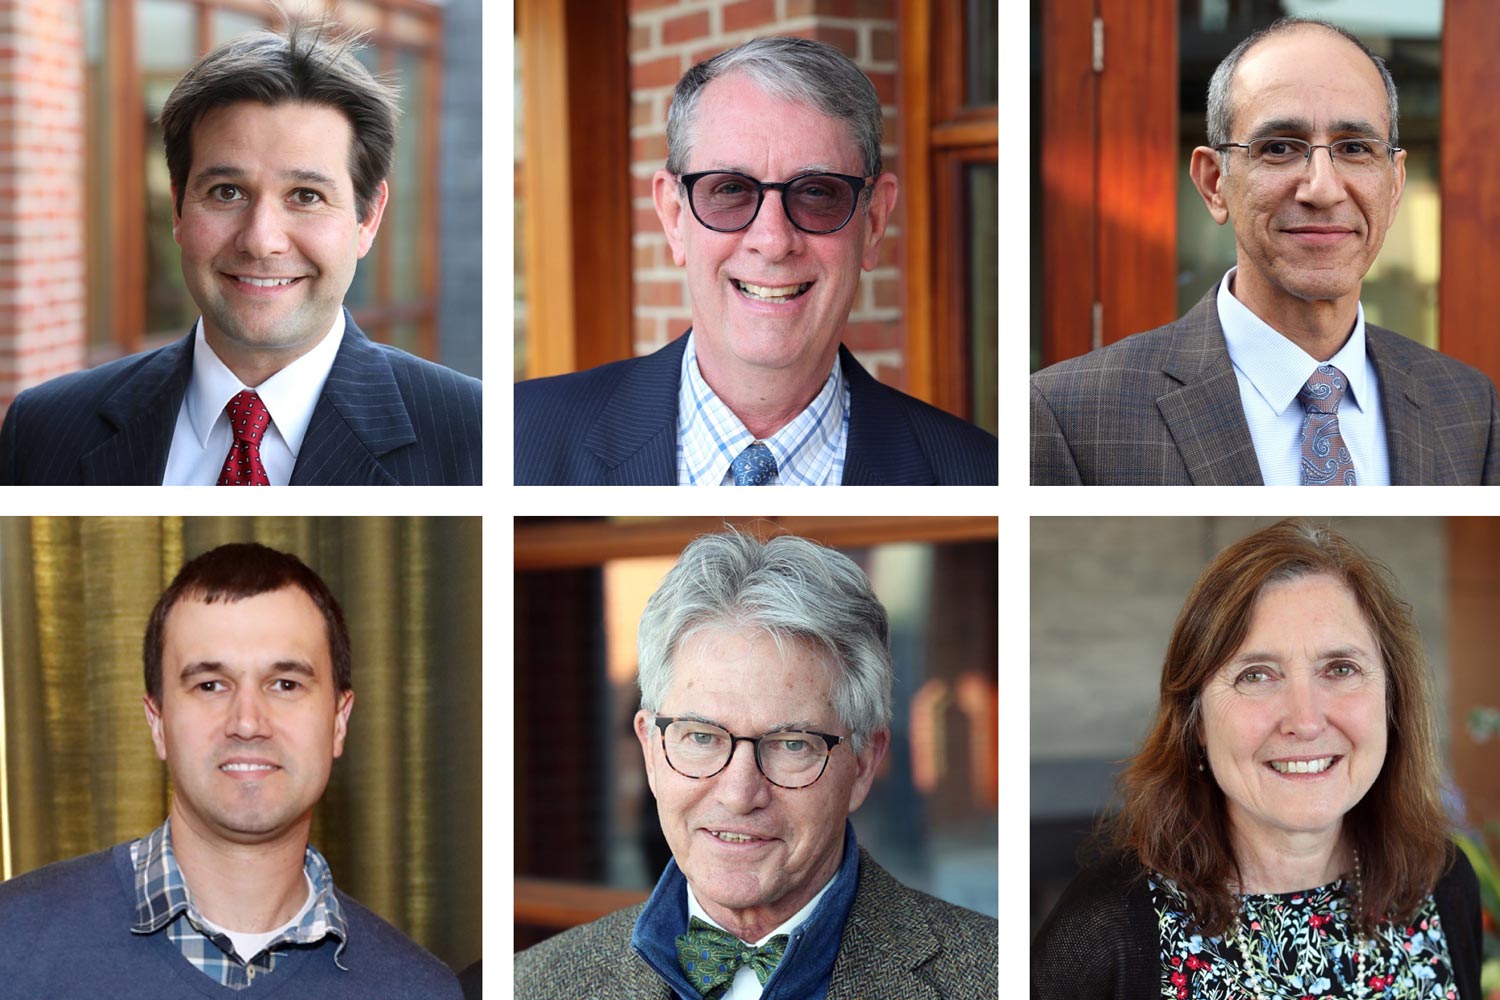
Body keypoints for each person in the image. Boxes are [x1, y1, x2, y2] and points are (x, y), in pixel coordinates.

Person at [0, 16, 481, 485]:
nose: (260, 240)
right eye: (227, 192)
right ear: (178, 209)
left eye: (306, 196)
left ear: (367, 218)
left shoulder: (477, 436)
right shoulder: (43, 430)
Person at [515, 531, 998, 997]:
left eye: (792, 744)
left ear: (864, 764)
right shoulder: (529, 985)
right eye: (701, 737)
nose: (740, 794)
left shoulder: (998, 978)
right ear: (650, 751)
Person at [1031, 18, 1498, 485]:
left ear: (1394, 185)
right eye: (1278, 148)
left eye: (1355, 147)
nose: (1322, 189)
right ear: (1215, 183)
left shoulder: (1469, 406)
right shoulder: (1071, 417)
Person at [515, 37, 997, 486]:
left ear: (872, 221)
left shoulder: (981, 474)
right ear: (672, 215)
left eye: (816, 193)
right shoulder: (515, 438)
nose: (772, 239)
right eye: (729, 190)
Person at [1031, 520, 1483, 998]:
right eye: (1257, 675)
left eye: (1340, 668)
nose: (1305, 722)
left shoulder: (1443, 881)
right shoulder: (1104, 929)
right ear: (1197, 720)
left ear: (1392, 701)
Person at [0, 542, 462, 998]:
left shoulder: (419, 988)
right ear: (157, 722)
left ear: (339, 722)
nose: (247, 722)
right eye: (210, 685)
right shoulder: (13, 943)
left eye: (285, 684)